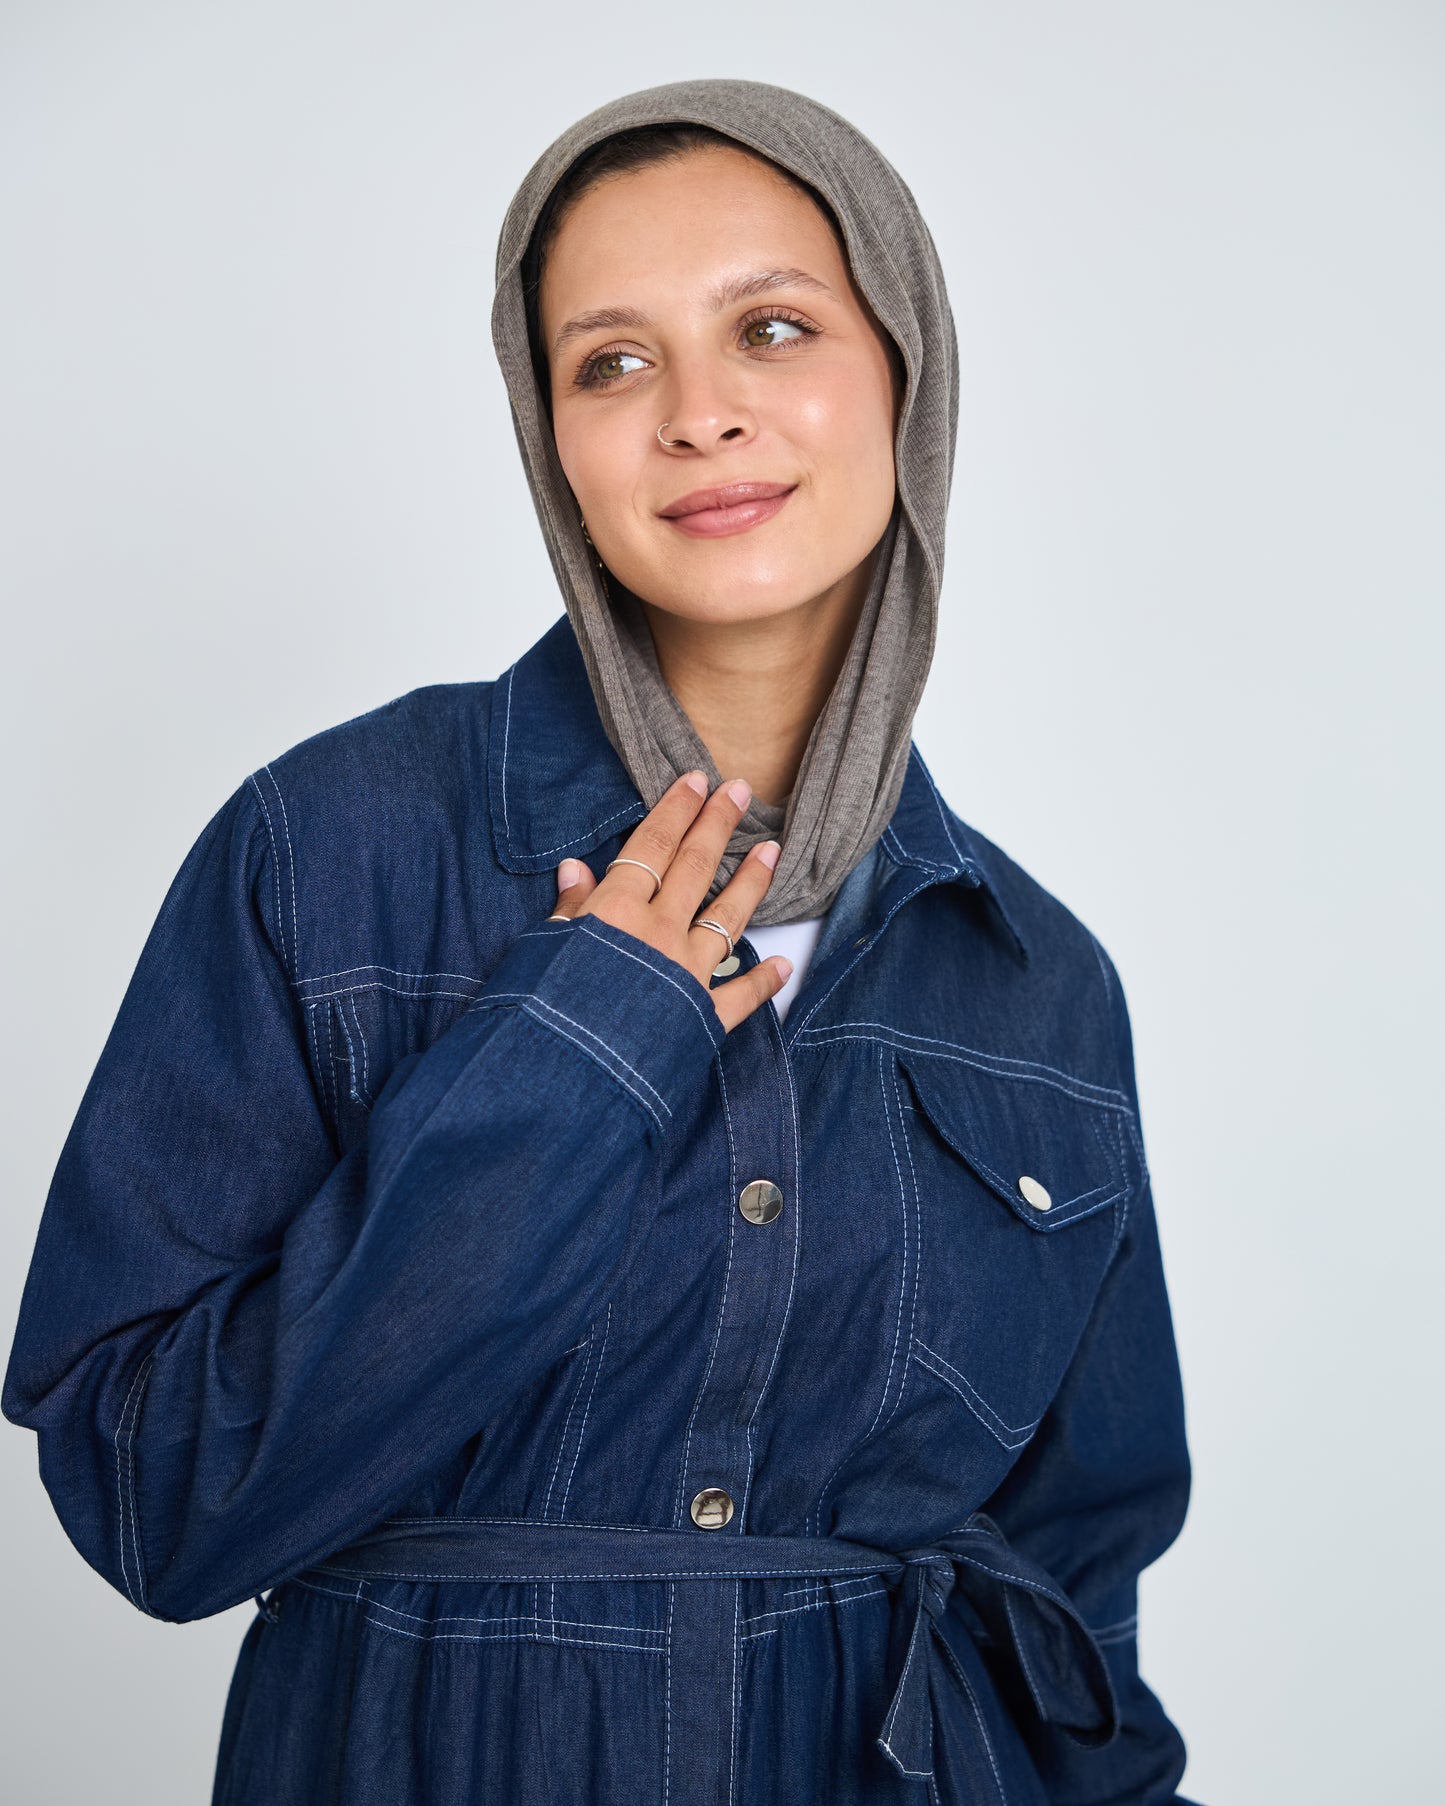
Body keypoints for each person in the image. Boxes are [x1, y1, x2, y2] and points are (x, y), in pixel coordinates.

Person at [2, 77, 1198, 1806]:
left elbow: (1078, 1609)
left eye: (771, 328)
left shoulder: (1033, 981)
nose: (699, 417)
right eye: (611, 362)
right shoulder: (330, 849)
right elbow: (152, 1502)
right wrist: (579, 1052)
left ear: (903, 373)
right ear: (548, 436)